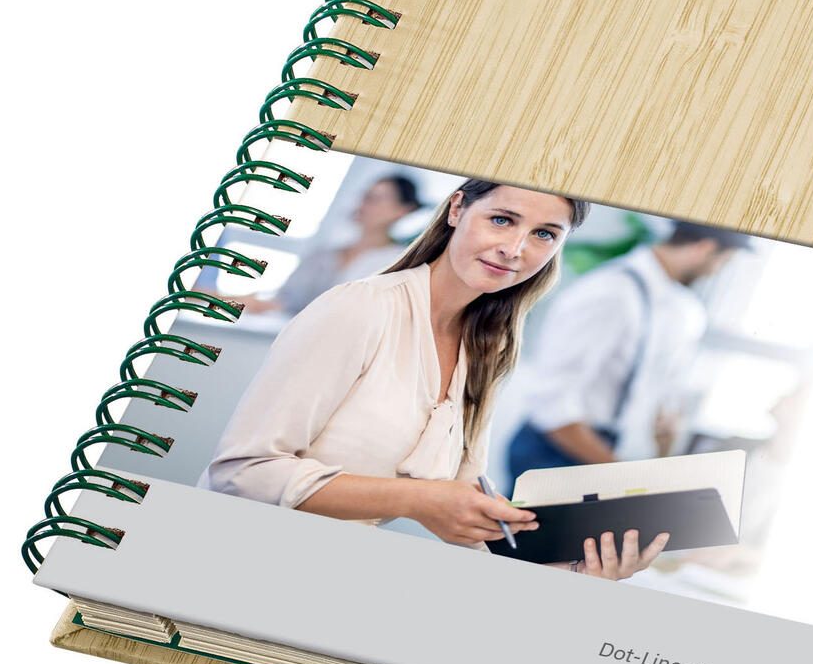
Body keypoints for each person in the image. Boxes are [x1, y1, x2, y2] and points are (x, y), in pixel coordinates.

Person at [199, 180, 667, 579]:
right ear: (457, 208)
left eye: (544, 234)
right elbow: (242, 474)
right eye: (502, 220)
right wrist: (419, 500)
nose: (515, 249)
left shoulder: (486, 346)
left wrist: (572, 569)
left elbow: (468, 505)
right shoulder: (359, 309)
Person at [504, 221, 754, 482]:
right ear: (704, 248)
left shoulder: (670, 304)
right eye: (723, 262)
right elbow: (551, 405)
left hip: (600, 451)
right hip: (557, 452)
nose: (714, 272)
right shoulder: (610, 293)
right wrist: (622, 476)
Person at [228, 173, 423, 317]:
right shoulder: (324, 255)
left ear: (403, 210)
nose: (363, 205)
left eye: (375, 199)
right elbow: (285, 302)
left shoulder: (399, 264)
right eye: (365, 196)